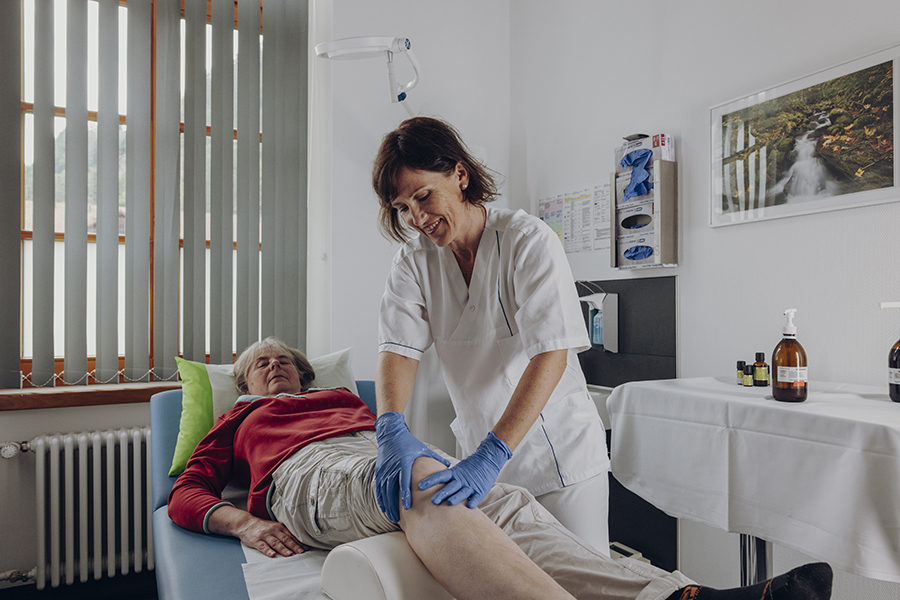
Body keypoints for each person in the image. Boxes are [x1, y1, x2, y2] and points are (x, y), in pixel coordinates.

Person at [168, 338, 834, 600]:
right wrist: (239, 523)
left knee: (507, 502)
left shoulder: (346, 399)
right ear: (245, 382)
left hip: (380, 456)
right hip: (308, 475)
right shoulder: (239, 421)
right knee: (423, 481)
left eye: (285, 358)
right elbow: (186, 493)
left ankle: (680, 598)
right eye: (262, 363)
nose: (276, 365)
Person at [371, 116, 609, 551]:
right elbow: (399, 349)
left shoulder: (527, 240)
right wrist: (389, 426)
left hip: (557, 459)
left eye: (423, 196)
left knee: (587, 583)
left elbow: (551, 353)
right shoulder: (413, 261)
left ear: (460, 174)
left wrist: (492, 454)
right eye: (403, 208)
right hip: (482, 465)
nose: (417, 218)